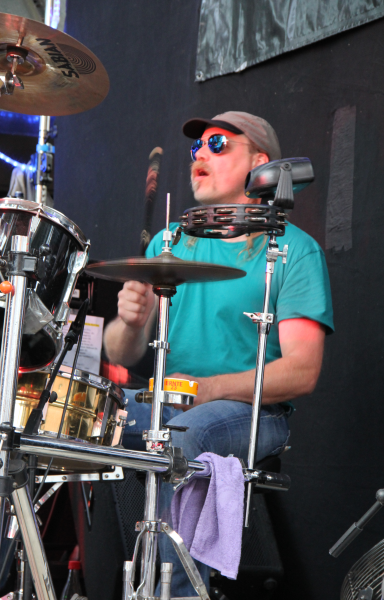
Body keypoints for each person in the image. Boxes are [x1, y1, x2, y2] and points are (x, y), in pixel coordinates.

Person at [104, 111, 334, 597]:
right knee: (91, 423)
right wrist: (129, 322)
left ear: (259, 162)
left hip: (252, 412)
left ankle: (177, 593)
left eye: (217, 144)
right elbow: (122, 352)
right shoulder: (171, 242)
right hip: (170, 401)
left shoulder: (292, 249)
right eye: (196, 148)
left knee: (182, 435)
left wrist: (208, 389)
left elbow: (302, 371)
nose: (199, 156)